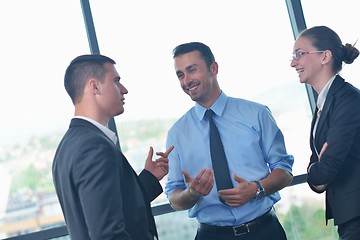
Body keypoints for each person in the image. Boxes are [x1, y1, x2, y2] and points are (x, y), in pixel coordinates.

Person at [164, 42, 294, 240]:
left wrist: (256, 189)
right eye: (180, 74)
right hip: (211, 235)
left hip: (265, 232)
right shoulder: (177, 133)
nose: (186, 80)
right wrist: (191, 193)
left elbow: (284, 172)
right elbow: (175, 198)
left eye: (192, 70)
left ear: (213, 68)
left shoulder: (256, 114)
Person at [52, 54, 174, 240]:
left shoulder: (68, 145)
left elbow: (108, 210)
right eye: (116, 81)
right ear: (95, 86)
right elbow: (107, 234)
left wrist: (148, 178)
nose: (124, 90)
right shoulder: (94, 147)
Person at [290, 25, 360, 239]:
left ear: (325, 57)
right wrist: (317, 169)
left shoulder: (348, 99)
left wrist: (317, 169)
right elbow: (318, 175)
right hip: (349, 217)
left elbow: (326, 170)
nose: (293, 63)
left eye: (299, 54)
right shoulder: (325, 104)